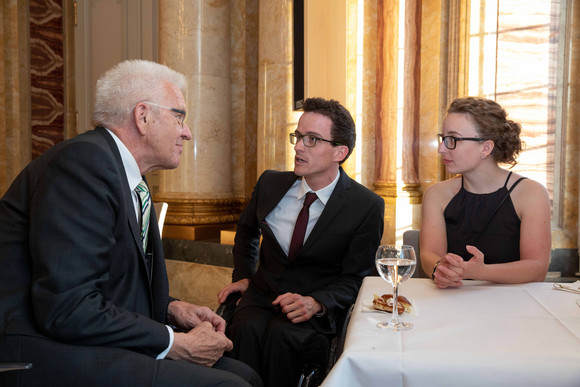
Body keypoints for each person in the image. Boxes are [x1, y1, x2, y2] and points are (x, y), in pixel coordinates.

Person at [0, 60, 261, 387]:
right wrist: (173, 342)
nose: (187, 132)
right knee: (231, 385)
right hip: (35, 348)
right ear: (143, 116)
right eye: (179, 115)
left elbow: (107, 283)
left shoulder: (123, 174)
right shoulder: (82, 166)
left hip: (73, 336)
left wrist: (171, 309)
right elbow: (67, 307)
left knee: (244, 373)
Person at [217, 97, 385, 387]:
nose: (298, 146)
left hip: (310, 311)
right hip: (260, 298)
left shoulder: (365, 205)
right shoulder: (270, 183)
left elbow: (356, 278)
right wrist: (244, 275)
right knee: (243, 333)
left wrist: (317, 303)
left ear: (340, 152)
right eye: (298, 136)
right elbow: (245, 232)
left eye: (312, 139)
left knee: (284, 341)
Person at [420, 96, 551, 289]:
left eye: (452, 139)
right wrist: (440, 269)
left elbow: (537, 269)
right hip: (452, 300)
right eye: (443, 138)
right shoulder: (436, 194)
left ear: (486, 147)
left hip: (513, 305)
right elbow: (429, 254)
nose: (441, 149)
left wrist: (479, 272)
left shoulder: (531, 193)